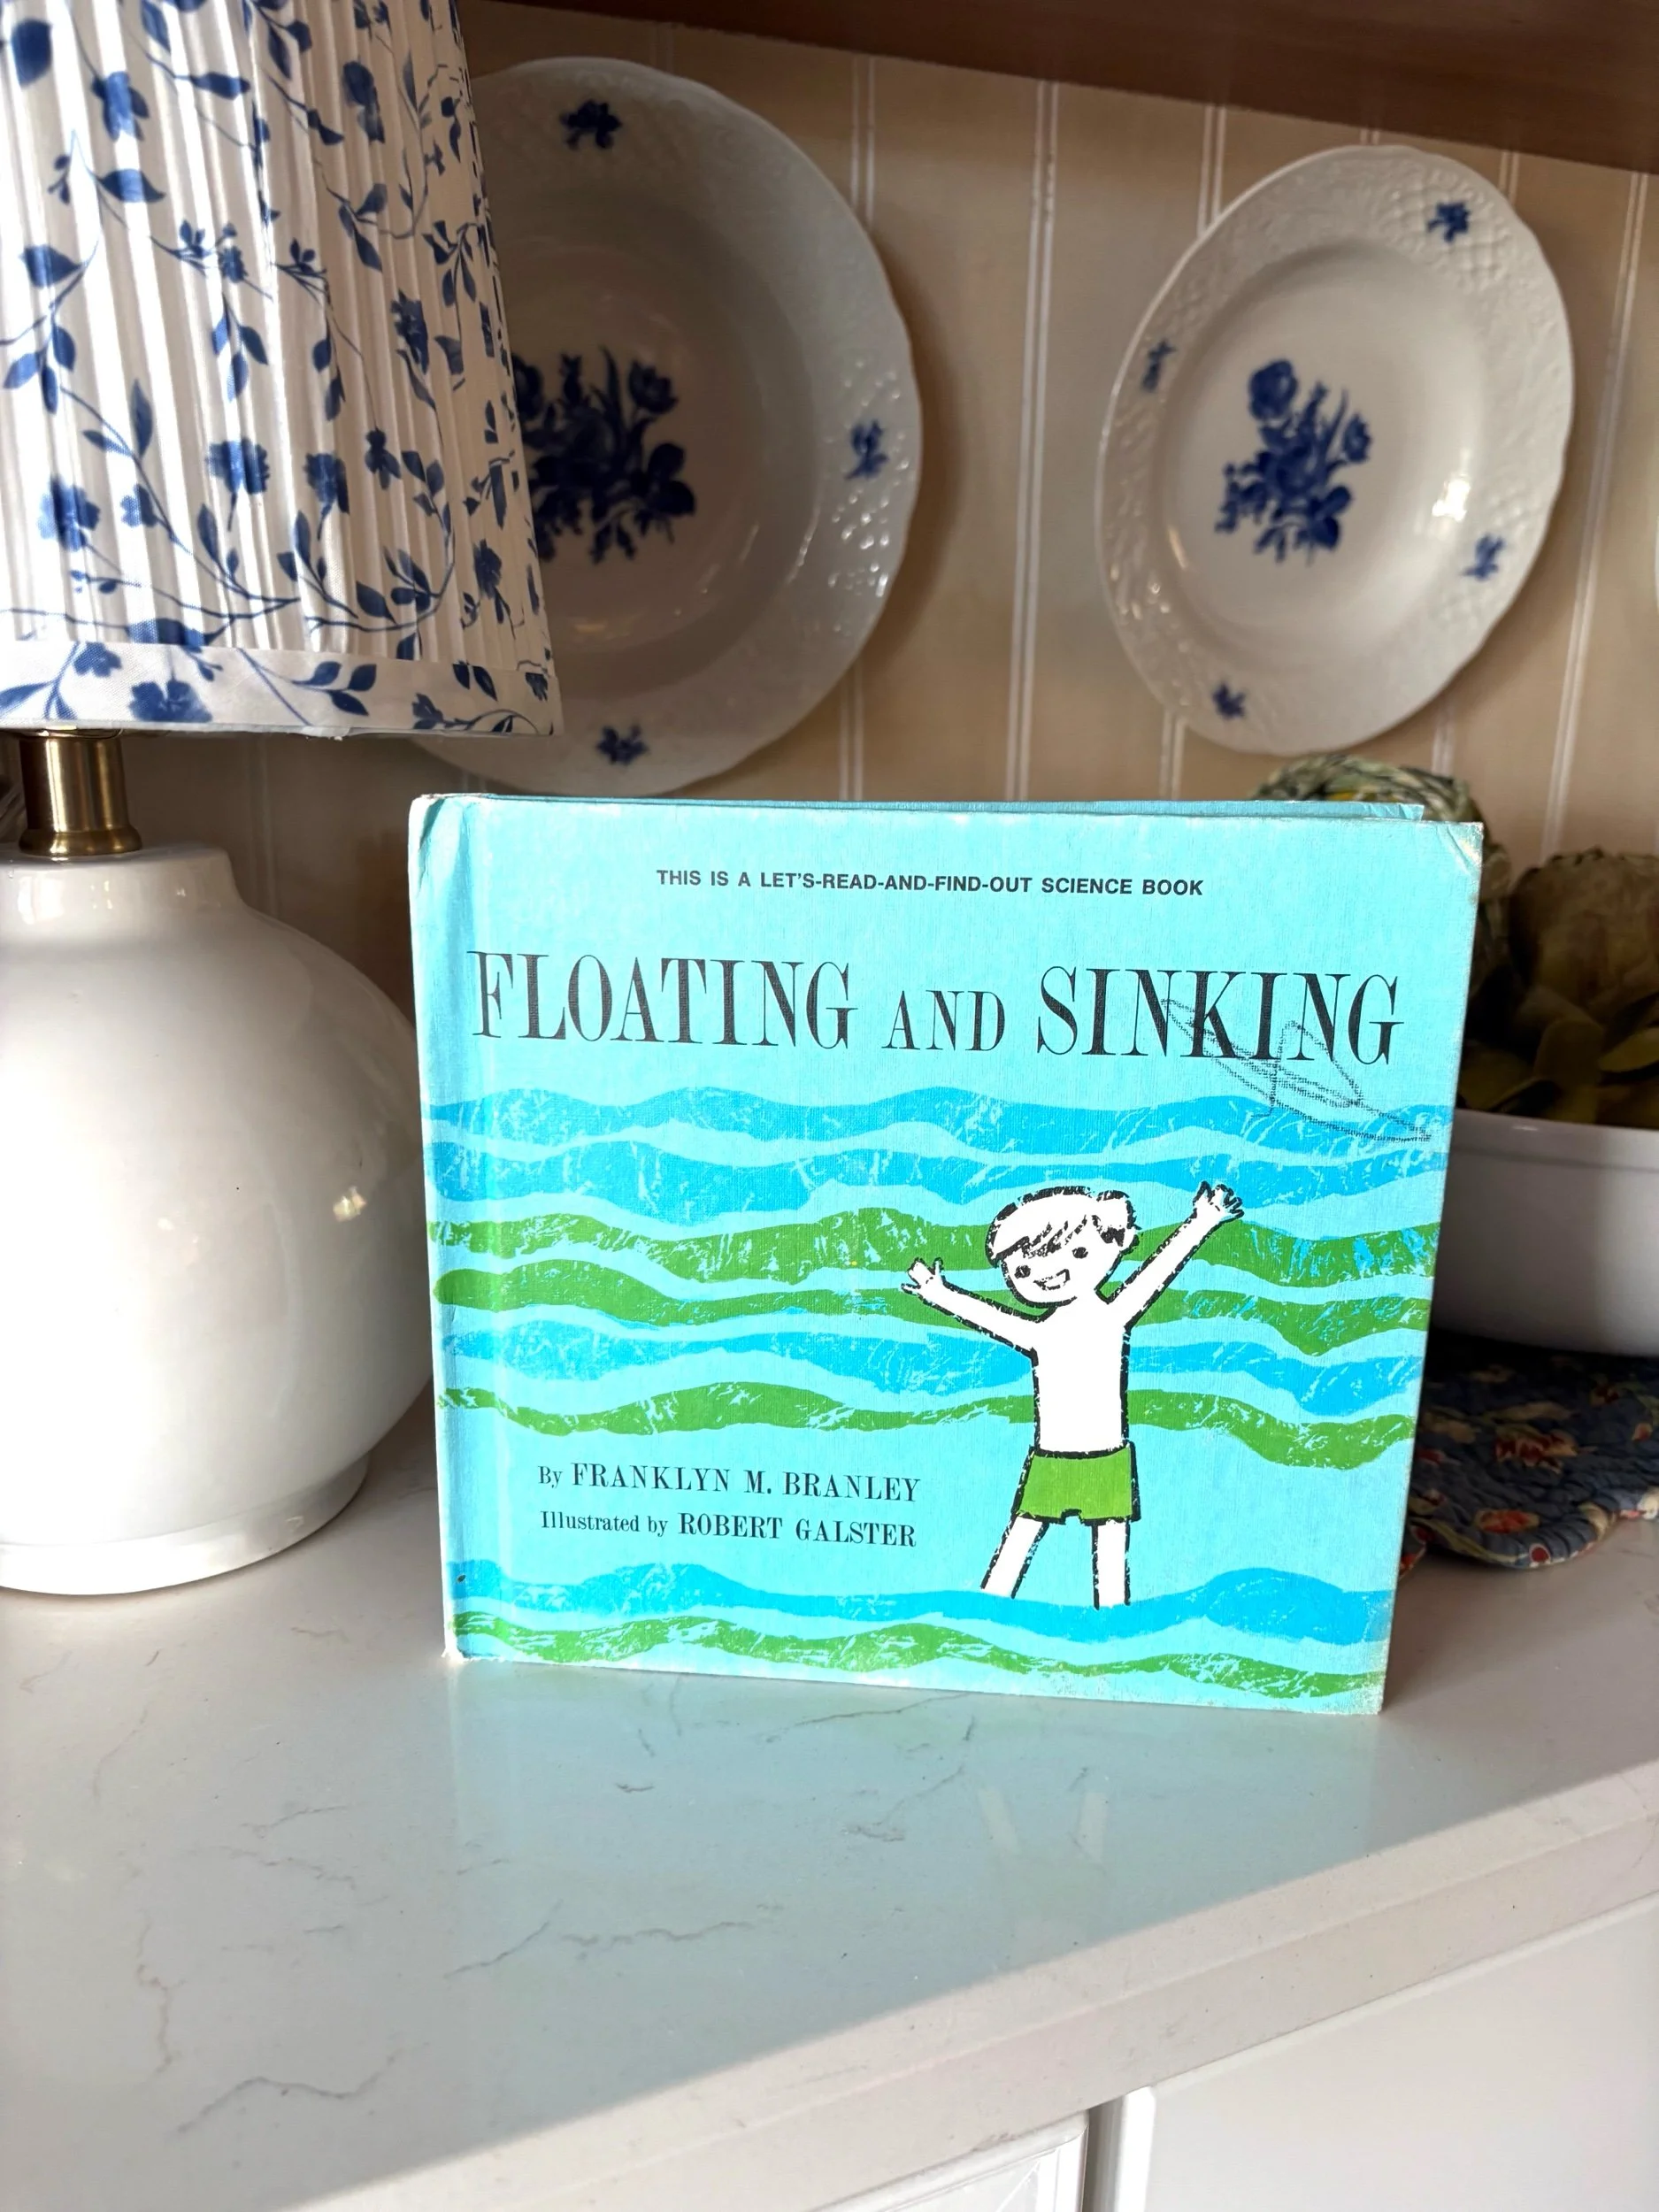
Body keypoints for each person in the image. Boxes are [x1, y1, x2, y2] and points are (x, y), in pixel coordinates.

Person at [904, 1179, 1241, 1606]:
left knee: (1109, 1555)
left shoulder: (1114, 1315)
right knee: (1021, 1540)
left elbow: (1159, 1268)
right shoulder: (1040, 1332)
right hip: (1052, 1459)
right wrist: (938, 1293)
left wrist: (1203, 1220)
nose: (1046, 1274)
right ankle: (989, 1608)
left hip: (1106, 1459)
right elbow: (988, 1316)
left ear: (1114, 1243)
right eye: (1023, 1271)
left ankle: (1108, 1619)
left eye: (1076, 1253)